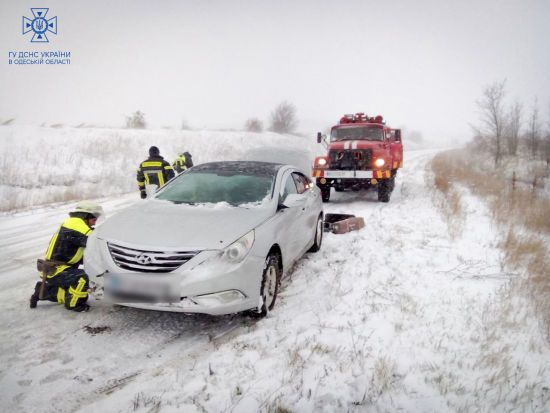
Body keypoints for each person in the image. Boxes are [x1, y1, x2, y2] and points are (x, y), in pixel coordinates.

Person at [30, 201, 104, 312]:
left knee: (80, 291)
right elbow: (94, 241)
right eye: (94, 219)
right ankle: (73, 305)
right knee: (84, 278)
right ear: (85, 216)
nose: (94, 223)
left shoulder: (76, 225)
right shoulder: (74, 223)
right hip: (56, 269)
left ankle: (43, 291)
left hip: (58, 268)